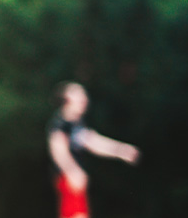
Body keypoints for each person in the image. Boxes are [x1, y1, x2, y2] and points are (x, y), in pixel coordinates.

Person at [47, 81, 140, 218]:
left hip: (75, 179)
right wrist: (72, 171)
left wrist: (121, 150)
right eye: (78, 94)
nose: (84, 98)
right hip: (68, 179)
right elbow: (58, 150)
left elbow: (95, 142)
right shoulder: (60, 124)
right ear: (66, 100)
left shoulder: (77, 124)